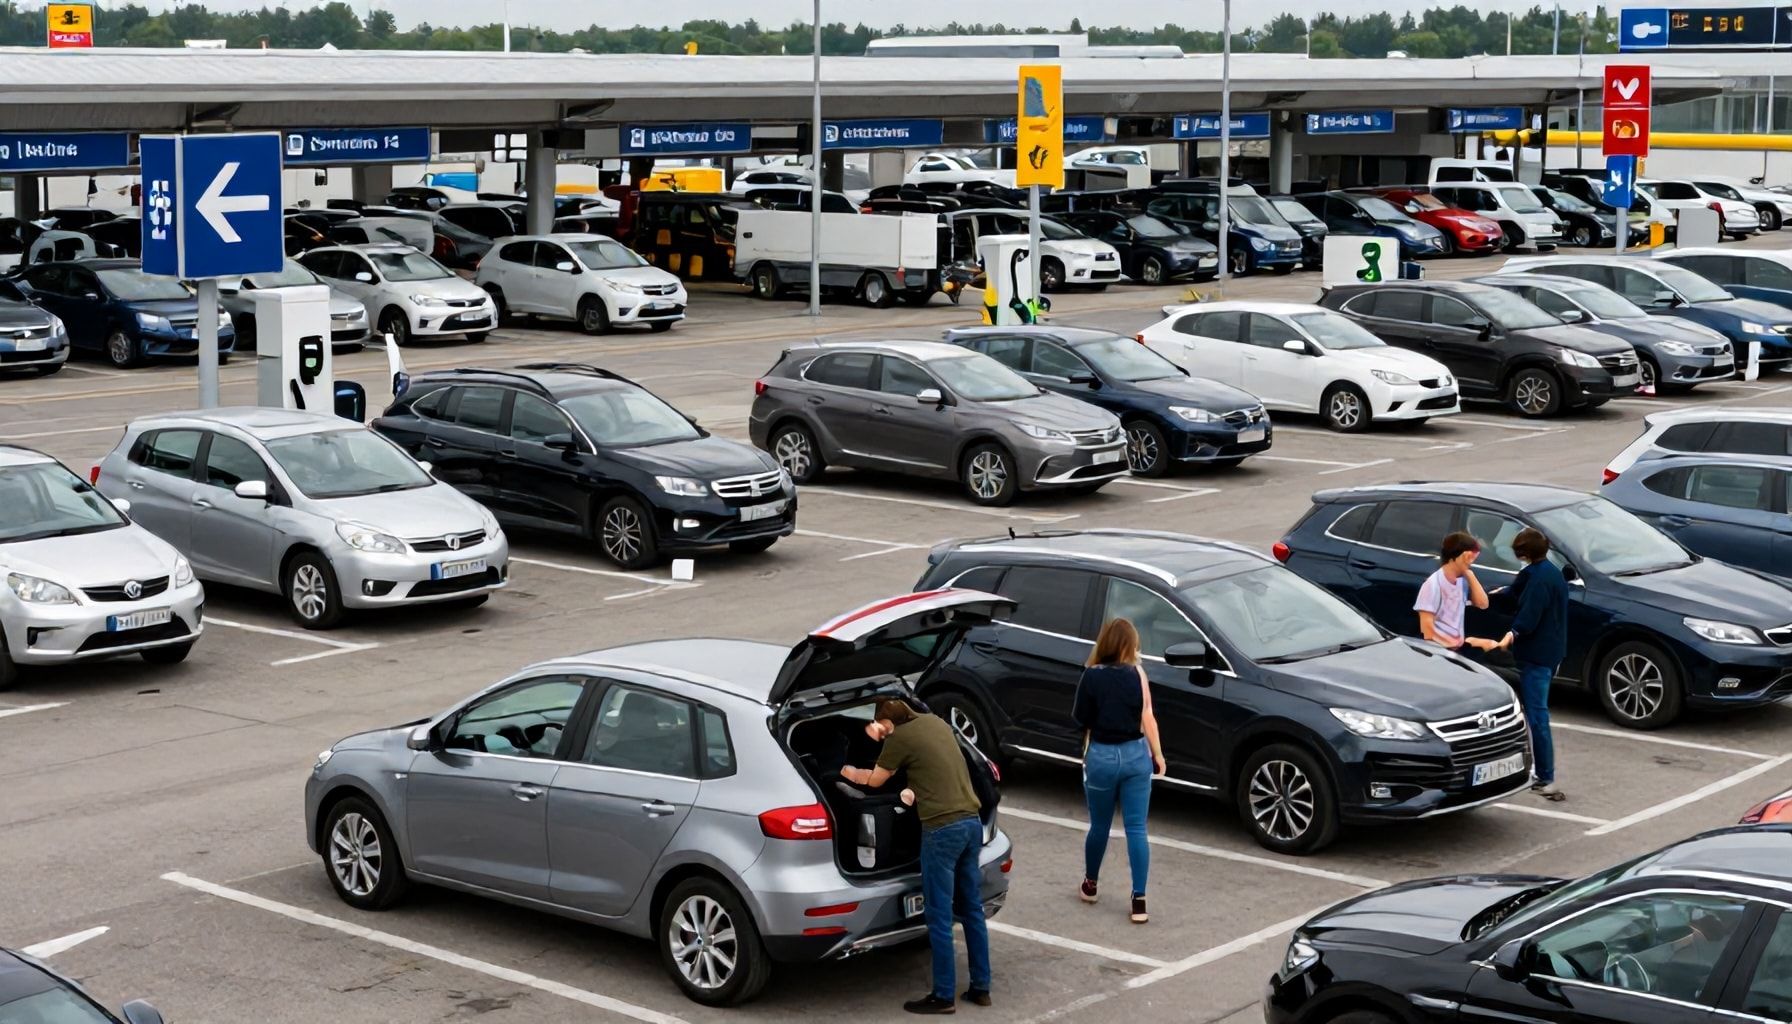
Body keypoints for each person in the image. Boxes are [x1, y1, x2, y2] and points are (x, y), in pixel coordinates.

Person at [842, 699, 991, 1014]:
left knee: (938, 916)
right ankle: (981, 987)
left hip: (942, 830)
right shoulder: (936, 722)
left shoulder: (899, 739)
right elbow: (932, 767)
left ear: (887, 723)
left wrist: (848, 772)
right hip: (971, 823)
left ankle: (943, 996)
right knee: (971, 908)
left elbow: (875, 782)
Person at [1072, 618, 1166, 925]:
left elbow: (1081, 718)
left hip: (1101, 755)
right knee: (1137, 829)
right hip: (1136, 755)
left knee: (1099, 825)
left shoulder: (1091, 676)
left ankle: (1091, 884)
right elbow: (1148, 715)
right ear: (1130, 645)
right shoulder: (1138, 673)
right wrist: (1158, 753)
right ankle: (1139, 900)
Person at [1493, 527, 1570, 802]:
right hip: (1553, 652)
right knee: (1538, 713)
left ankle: (1545, 777)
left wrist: (1510, 635)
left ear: (1523, 554)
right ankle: (1541, 773)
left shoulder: (1538, 580)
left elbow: (1528, 616)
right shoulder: (1548, 572)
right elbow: (1515, 591)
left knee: (1538, 716)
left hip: (1537, 655)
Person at [1415, 531, 1490, 649]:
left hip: (1457, 645)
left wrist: (1470, 575)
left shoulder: (1462, 581)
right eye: (1468, 557)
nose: (1470, 562)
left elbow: (1483, 604)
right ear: (1455, 557)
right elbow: (1426, 630)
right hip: (1440, 648)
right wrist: (1450, 647)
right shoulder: (1433, 584)